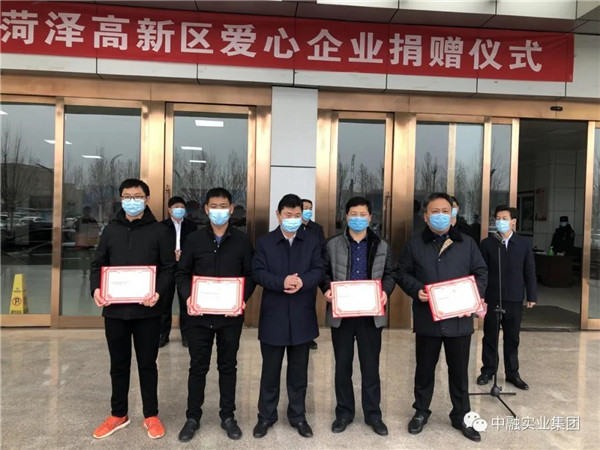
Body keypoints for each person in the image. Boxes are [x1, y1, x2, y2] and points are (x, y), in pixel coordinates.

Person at [396, 192, 487, 442]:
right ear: (425, 217)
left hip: (459, 321)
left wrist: (474, 297)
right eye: (434, 212)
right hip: (428, 319)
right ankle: (421, 411)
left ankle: (462, 415)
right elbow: (401, 272)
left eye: (445, 211)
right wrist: (416, 289)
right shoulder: (415, 244)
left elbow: (481, 272)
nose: (440, 216)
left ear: (453, 215)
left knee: (459, 372)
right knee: (424, 370)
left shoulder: (467, 243)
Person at [90, 178, 175, 440]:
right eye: (127, 196)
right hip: (115, 311)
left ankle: (151, 415)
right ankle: (119, 414)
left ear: (147, 199)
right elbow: (98, 264)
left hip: (147, 311)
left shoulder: (160, 231)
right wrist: (96, 289)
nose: (132, 201)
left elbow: (169, 268)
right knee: (118, 364)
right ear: (121, 199)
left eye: (138, 196)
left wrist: (158, 293)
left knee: (148, 364)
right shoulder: (111, 230)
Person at [175, 188, 255, 442]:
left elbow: (250, 275)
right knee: (198, 366)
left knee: (228, 366)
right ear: (206, 209)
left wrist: (240, 299)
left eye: (223, 206)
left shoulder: (242, 241)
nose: (219, 211)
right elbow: (182, 273)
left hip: (230, 318)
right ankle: (192, 417)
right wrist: (189, 297)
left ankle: (228, 416)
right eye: (214, 206)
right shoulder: (194, 240)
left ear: (231, 209)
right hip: (198, 317)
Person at [320, 196, 395, 436]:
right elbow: (323, 272)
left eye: (363, 215)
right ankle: (344, 413)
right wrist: (326, 289)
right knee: (342, 366)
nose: (358, 218)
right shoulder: (333, 245)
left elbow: (391, 274)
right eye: (354, 214)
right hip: (342, 315)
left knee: (370, 367)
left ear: (370, 218)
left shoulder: (381, 245)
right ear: (346, 216)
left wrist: (385, 291)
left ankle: (373, 414)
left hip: (370, 316)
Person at [252, 194, 325, 439]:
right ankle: (266, 416)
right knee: (270, 372)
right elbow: (258, 272)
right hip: (274, 315)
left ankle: (298, 416)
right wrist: (281, 281)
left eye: (297, 215)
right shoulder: (265, 242)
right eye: (288, 215)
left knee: (299, 373)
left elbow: (319, 269)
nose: (293, 219)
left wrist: (303, 281)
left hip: (302, 315)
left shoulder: (312, 241)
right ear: (278, 215)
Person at [477, 205, 537, 391]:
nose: (500, 221)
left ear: (513, 222)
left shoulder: (524, 243)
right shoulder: (488, 243)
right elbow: (481, 271)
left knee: (512, 337)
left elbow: (529, 270)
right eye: (497, 218)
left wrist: (531, 295)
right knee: (490, 336)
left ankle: (512, 373)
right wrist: (480, 295)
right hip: (492, 297)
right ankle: (488, 370)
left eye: (504, 218)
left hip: (514, 297)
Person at [159, 196, 197, 348]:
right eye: (176, 207)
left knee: (185, 302)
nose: (179, 210)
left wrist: (184, 254)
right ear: (169, 210)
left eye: (181, 207)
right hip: (167, 267)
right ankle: (163, 335)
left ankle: (186, 336)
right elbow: (158, 246)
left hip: (185, 267)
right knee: (165, 302)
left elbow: (194, 245)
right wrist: (171, 254)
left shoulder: (191, 226)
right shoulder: (162, 226)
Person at [301, 198, 326, 350]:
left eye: (310, 208)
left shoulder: (316, 229)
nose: (308, 211)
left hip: (311, 273)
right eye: (305, 208)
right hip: (295, 271)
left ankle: (309, 336)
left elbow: (322, 250)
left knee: (309, 304)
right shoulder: (293, 227)